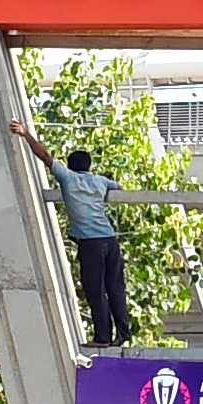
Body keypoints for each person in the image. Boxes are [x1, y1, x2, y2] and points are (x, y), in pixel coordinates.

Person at [54, 147, 132, 346]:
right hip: (110, 239)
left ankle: (103, 337)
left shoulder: (68, 179)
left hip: (91, 244)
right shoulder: (100, 181)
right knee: (115, 288)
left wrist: (26, 135)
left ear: (70, 165)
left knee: (95, 290)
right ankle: (123, 332)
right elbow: (119, 187)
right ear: (89, 165)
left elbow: (44, 156)